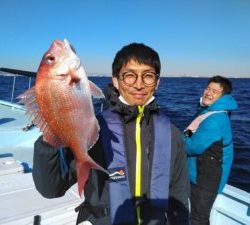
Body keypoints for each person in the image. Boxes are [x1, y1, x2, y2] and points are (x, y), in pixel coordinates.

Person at [32, 43, 190, 225]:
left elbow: (179, 193)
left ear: (157, 81)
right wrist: (50, 134)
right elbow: (51, 189)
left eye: (148, 76)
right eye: (129, 75)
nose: (139, 84)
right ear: (115, 80)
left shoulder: (172, 134)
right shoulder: (93, 129)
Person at [183, 76, 238, 225]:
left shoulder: (215, 120)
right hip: (200, 172)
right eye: (208, 88)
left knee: (198, 218)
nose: (208, 93)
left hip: (206, 179)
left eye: (215, 91)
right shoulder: (211, 112)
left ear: (223, 96)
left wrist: (174, 139)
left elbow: (192, 146)